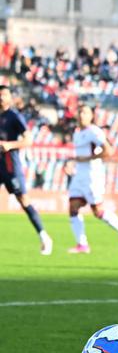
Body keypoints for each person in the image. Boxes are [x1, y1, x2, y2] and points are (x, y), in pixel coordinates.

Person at [67, 104, 118, 253]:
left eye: (85, 112)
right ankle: (82, 244)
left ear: (91, 116)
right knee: (73, 207)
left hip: (93, 175)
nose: (81, 115)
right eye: (79, 112)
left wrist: (88, 158)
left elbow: (109, 151)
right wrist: (73, 163)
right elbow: (80, 156)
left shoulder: (94, 132)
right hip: (79, 175)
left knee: (98, 211)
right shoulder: (77, 133)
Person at [0, 85, 53, 255]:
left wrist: (10, 145)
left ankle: (44, 236)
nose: (1, 97)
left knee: (23, 199)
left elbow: (28, 140)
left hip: (9, 164)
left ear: (10, 97)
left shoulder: (14, 117)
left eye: (4, 94)